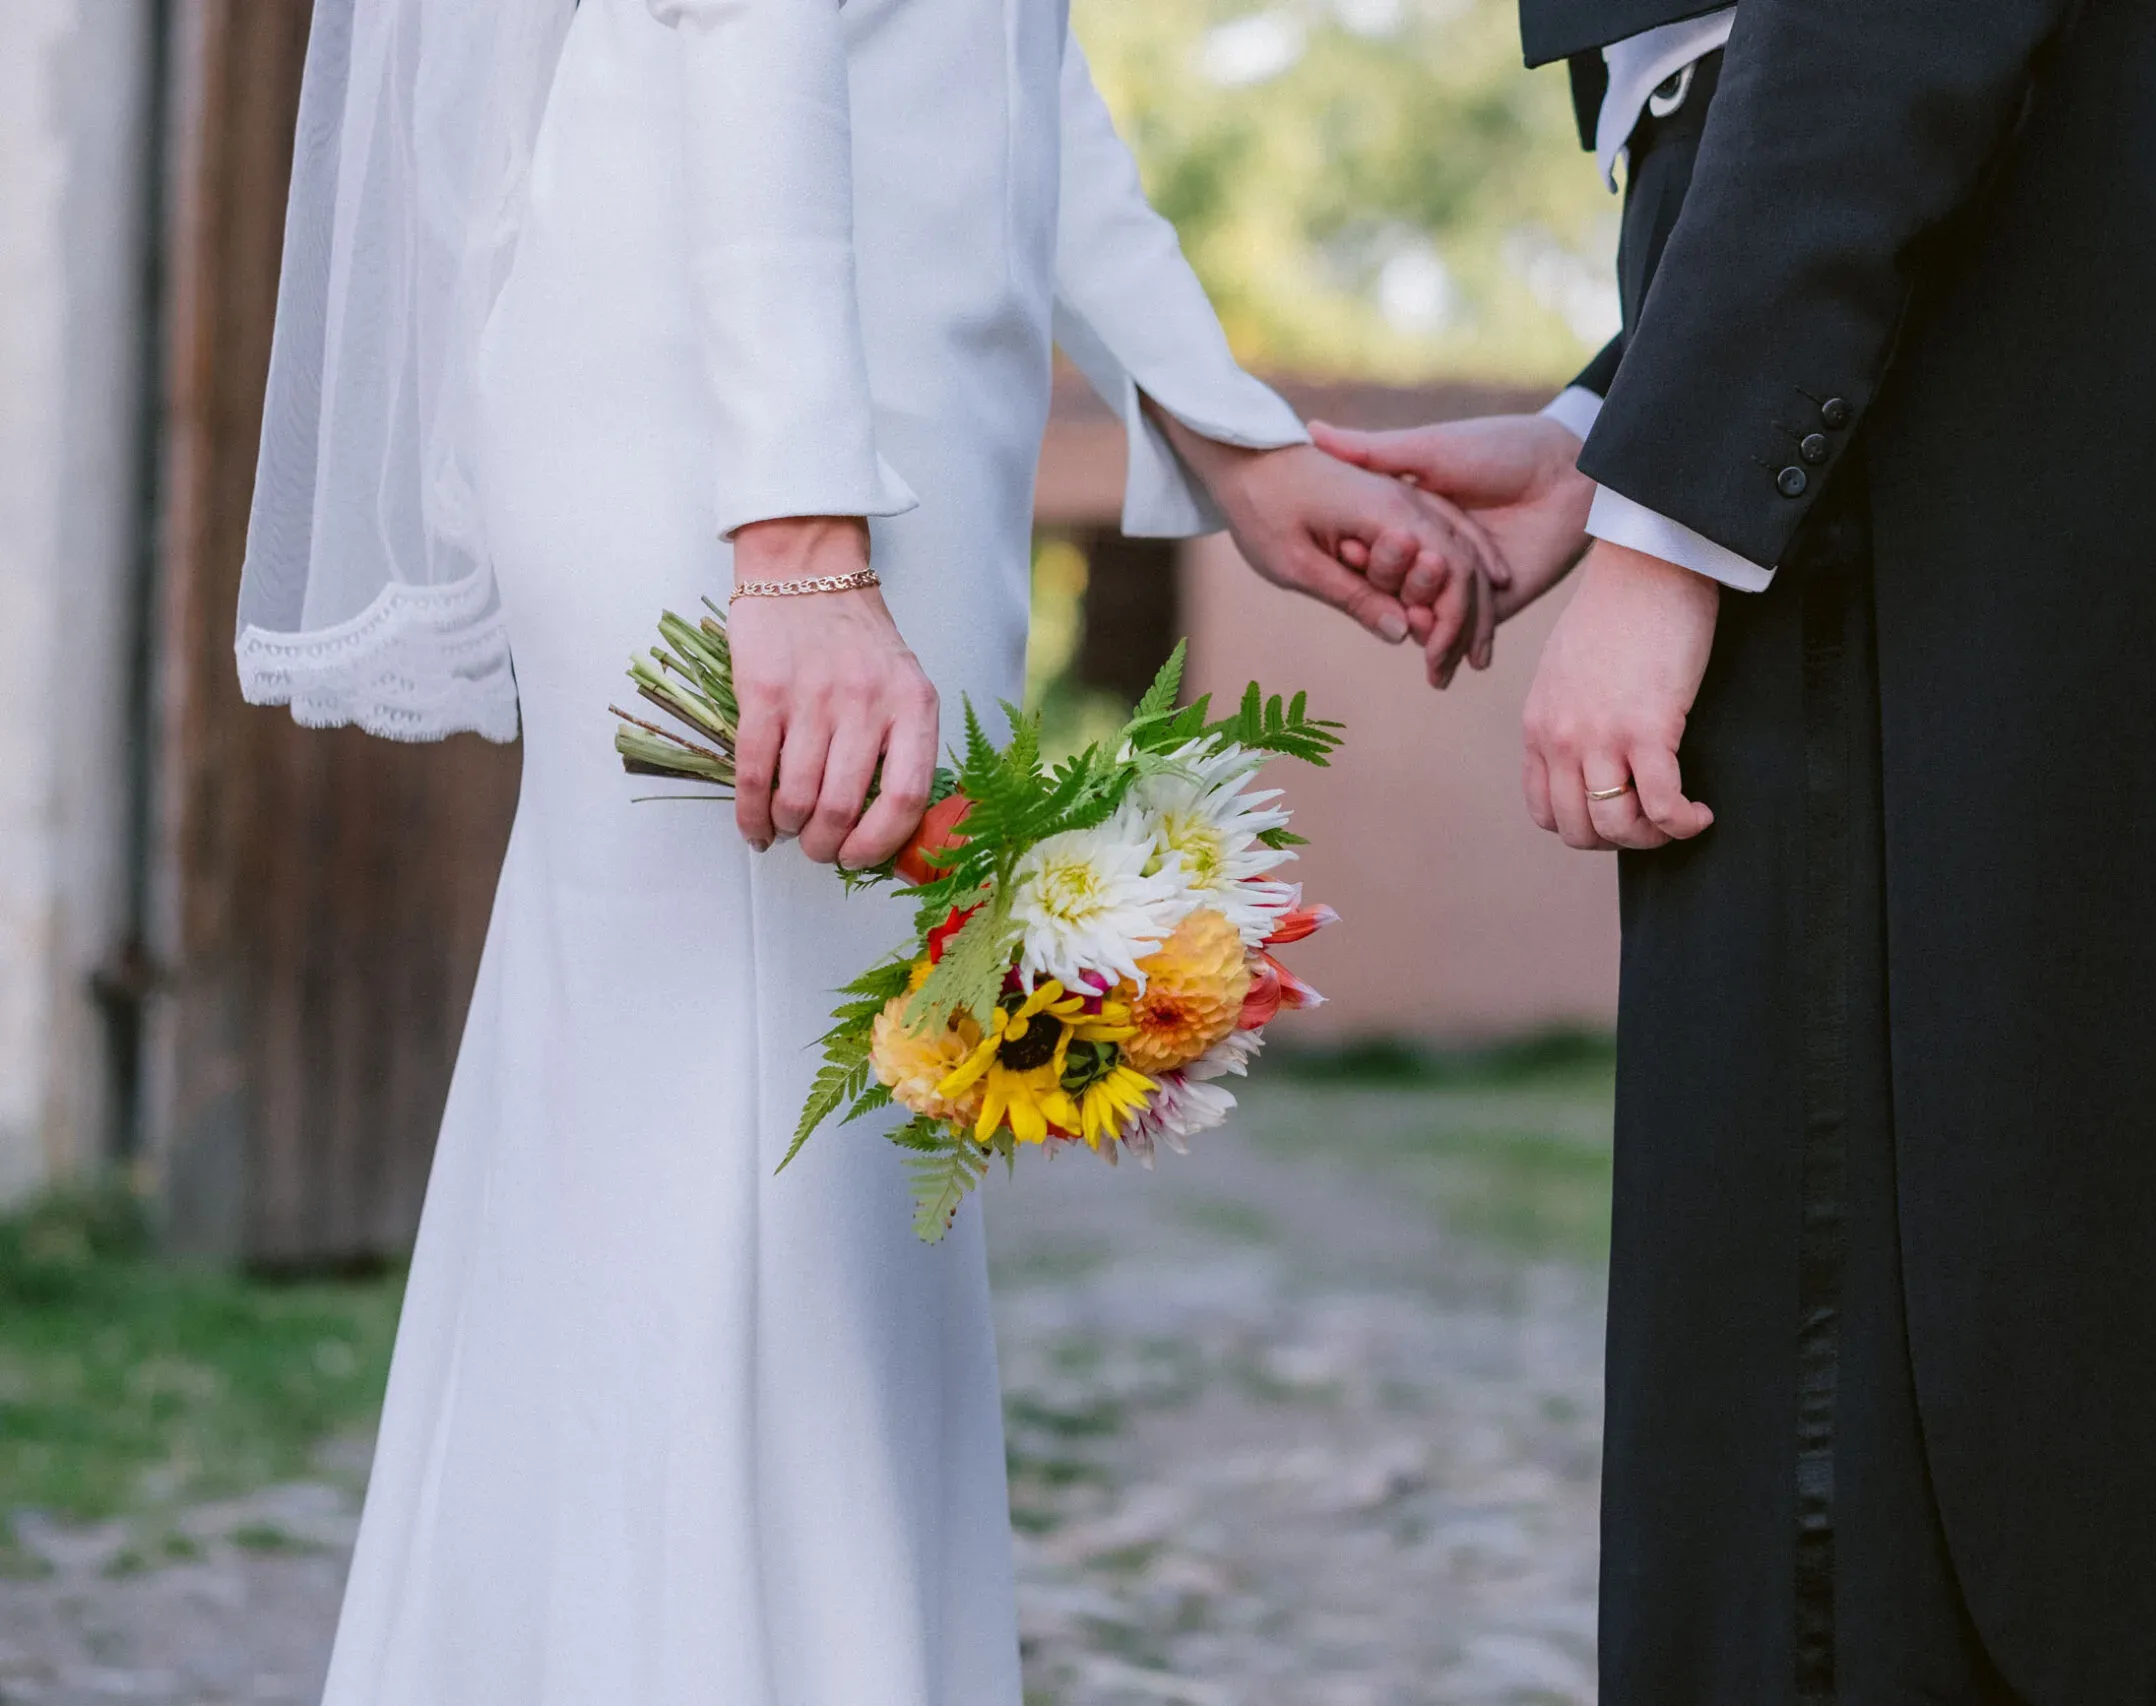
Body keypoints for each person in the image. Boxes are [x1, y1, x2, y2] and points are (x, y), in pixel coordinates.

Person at [235, 0, 1504, 1699]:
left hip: (888, 427)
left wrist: (1229, 430)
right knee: (724, 1172)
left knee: (817, 1197)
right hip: (744, 437)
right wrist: (800, 540)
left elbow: (1010, 44)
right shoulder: (794, 523)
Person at [1317, 0, 2156, 1700]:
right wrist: (1625, 433)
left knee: (1923, 1312)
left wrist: (1674, 533)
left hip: (1984, 350)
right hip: (1985, 277)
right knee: (1937, 1261)